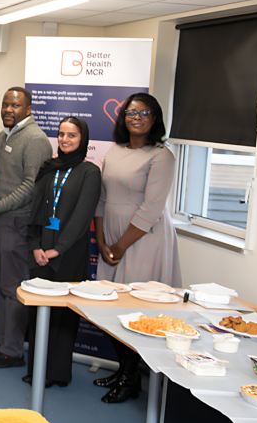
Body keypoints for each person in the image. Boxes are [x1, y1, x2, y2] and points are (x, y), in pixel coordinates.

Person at [94, 93, 181, 403]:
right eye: (131, 112)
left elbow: (151, 208)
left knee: (134, 310)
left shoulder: (161, 155)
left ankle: (131, 378)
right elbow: (102, 199)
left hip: (144, 239)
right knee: (109, 309)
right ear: (123, 117)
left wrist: (119, 245)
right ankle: (123, 369)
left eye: (145, 113)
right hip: (113, 238)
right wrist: (102, 240)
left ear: (154, 119)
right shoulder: (114, 152)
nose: (137, 117)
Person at [0, 87, 54, 369]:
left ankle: (13, 351)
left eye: (15, 105)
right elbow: (0, 172)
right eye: (5, 104)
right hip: (1, 221)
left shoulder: (35, 140)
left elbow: (32, 187)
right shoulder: (2, 136)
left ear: (29, 109)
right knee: (2, 283)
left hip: (18, 221)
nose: (8, 110)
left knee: (14, 287)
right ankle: (3, 342)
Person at [23, 117, 101, 388]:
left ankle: (56, 373)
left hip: (70, 252)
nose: (65, 139)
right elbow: (33, 211)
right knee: (38, 313)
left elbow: (82, 217)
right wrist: (35, 246)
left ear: (83, 140)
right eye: (61, 134)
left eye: (72, 135)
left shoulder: (90, 172)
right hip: (40, 251)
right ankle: (37, 369)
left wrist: (57, 249)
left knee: (62, 317)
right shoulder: (49, 168)